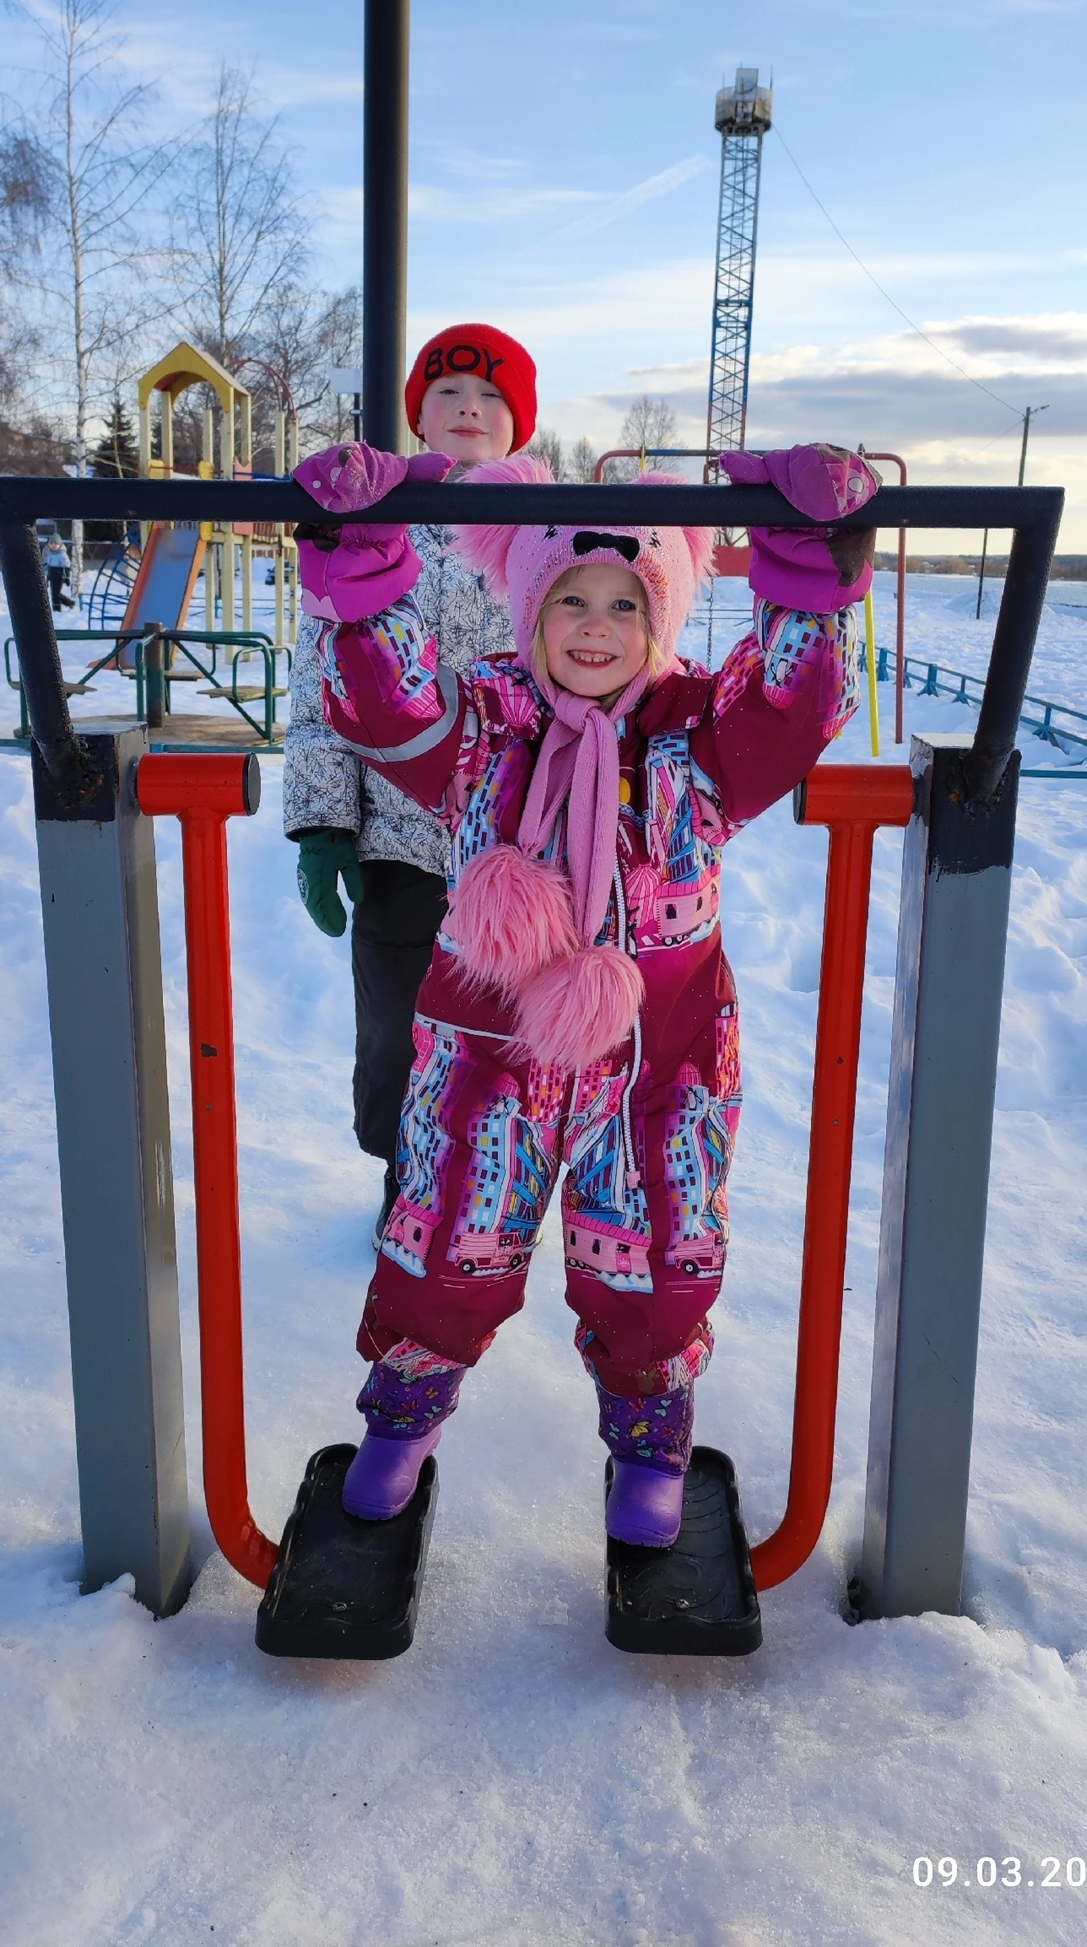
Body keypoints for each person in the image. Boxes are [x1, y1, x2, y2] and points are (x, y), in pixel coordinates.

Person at [291, 434, 877, 1546]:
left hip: (661, 1052)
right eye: (570, 600)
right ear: (529, 610)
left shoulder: (701, 735)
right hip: (487, 1048)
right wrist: (361, 567)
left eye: (623, 603)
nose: (596, 627)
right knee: (445, 1237)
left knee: (654, 1250)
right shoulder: (478, 727)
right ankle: (402, 1424)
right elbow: (380, 707)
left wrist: (805, 569)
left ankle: (648, 1447)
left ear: (659, 621)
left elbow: (794, 711)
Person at [284, 326, 520, 1241]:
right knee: (400, 1036)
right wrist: (322, 823)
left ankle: (491, 1203)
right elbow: (322, 675)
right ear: (417, 412)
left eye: (492, 396)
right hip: (400, 842)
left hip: (517, 844)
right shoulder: (370, 519)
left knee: (502, 1042)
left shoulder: (548, 523)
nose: (470, 407)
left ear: (517, 424)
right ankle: (404, 1192)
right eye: (451, 389)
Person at [41, 531, 73, 612]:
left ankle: (66, 604)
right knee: (54, 593)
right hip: (52, 574)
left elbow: (67, 565)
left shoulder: (62, 554)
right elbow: (48, 563)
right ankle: (58, 607)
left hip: (59, 575)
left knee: (56, 593)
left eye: (56, 544)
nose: (54, 546)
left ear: (59, 544)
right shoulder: (50, 553)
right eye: (52, 544)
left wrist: (66, 576)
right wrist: (47, 572)